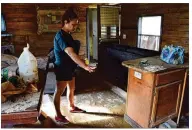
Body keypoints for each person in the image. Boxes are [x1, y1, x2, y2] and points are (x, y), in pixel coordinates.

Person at [53, 7, 96, 124]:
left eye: (76, 24)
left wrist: (83, 61)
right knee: (59, 91)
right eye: (73, 24)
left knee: (71, 88)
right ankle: (58, 115)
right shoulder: (60, 36)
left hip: (70, 67)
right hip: (62, 68)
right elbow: (71, 53)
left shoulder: (68, 34)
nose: (75, 27)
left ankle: (72, 107)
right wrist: (85, 66)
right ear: (66, 22)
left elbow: (74, 53)